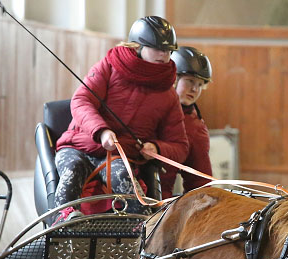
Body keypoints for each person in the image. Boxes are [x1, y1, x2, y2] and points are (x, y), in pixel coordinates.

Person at [52, 16, 188, 220]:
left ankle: (141, 230)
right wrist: (101, 131)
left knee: (124, 176)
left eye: (168, 51)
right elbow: (81, 100)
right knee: (72, 169)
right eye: (157, 48)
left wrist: (157, 149)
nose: (164, 54)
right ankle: (65, 221)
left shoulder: (169, 95)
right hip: (77, 146)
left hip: (121, 155)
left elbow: (180, 146)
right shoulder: (108, 66)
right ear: (139, 46)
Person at [161, 47, 214, 198]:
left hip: (156, 202)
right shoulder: (150, 104)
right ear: (174, 78)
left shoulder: (195, 128)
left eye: (200, 84)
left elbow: (200, 181)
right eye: (190, 81)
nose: (195, 89)